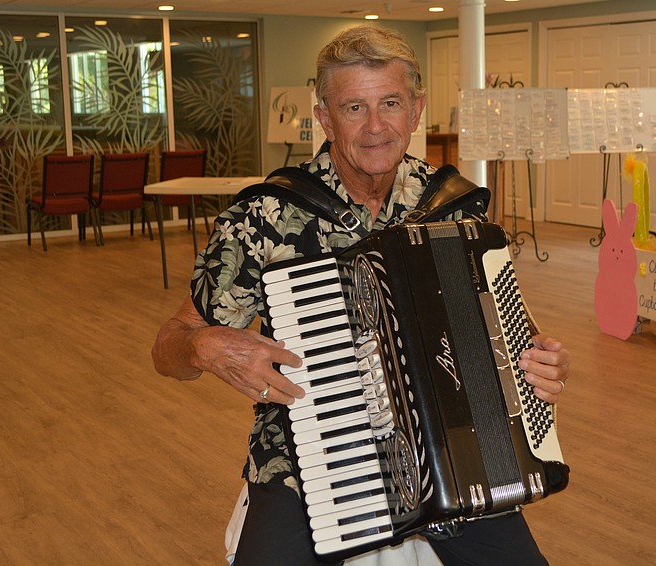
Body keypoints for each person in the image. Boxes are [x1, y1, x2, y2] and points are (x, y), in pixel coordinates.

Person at [152, 24, 571, 566]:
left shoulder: (454, 207)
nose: (375, 126)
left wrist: (541, 365)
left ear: (415, 110)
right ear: (325, 118)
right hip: (308, 458)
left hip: (451, 458)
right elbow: (170, 345)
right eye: (354, 108)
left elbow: (505, 333)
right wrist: (203, 347)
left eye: (390, 103)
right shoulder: (266, 217)